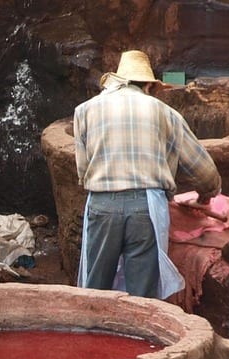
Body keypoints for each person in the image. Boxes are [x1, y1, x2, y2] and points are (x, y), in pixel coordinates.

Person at [73, 49, 221, 299]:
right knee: (142, 298)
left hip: (102, 203)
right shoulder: (165, 113)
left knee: (95, 291)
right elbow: (204, 171)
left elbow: (83, 170)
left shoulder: (85, 110)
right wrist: (206, 197)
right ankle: (137, 337)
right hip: (147, 207)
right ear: (150, 86)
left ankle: (91, 332)